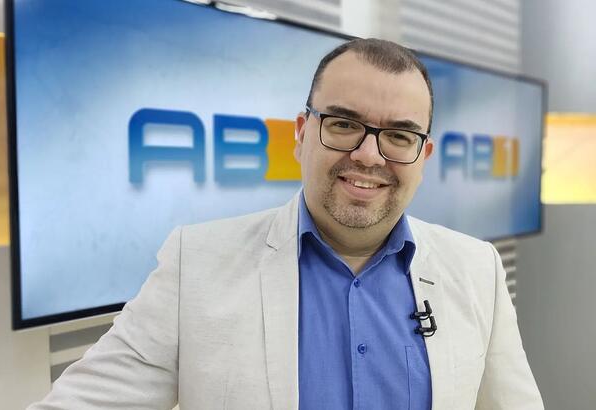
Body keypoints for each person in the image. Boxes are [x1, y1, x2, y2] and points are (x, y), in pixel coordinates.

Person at [28, 39, 544, 410]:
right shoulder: (197, 264)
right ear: (302, 133)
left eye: (399, 136)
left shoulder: (477, 270)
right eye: (344, 124)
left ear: (423, 154)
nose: (368, 155)